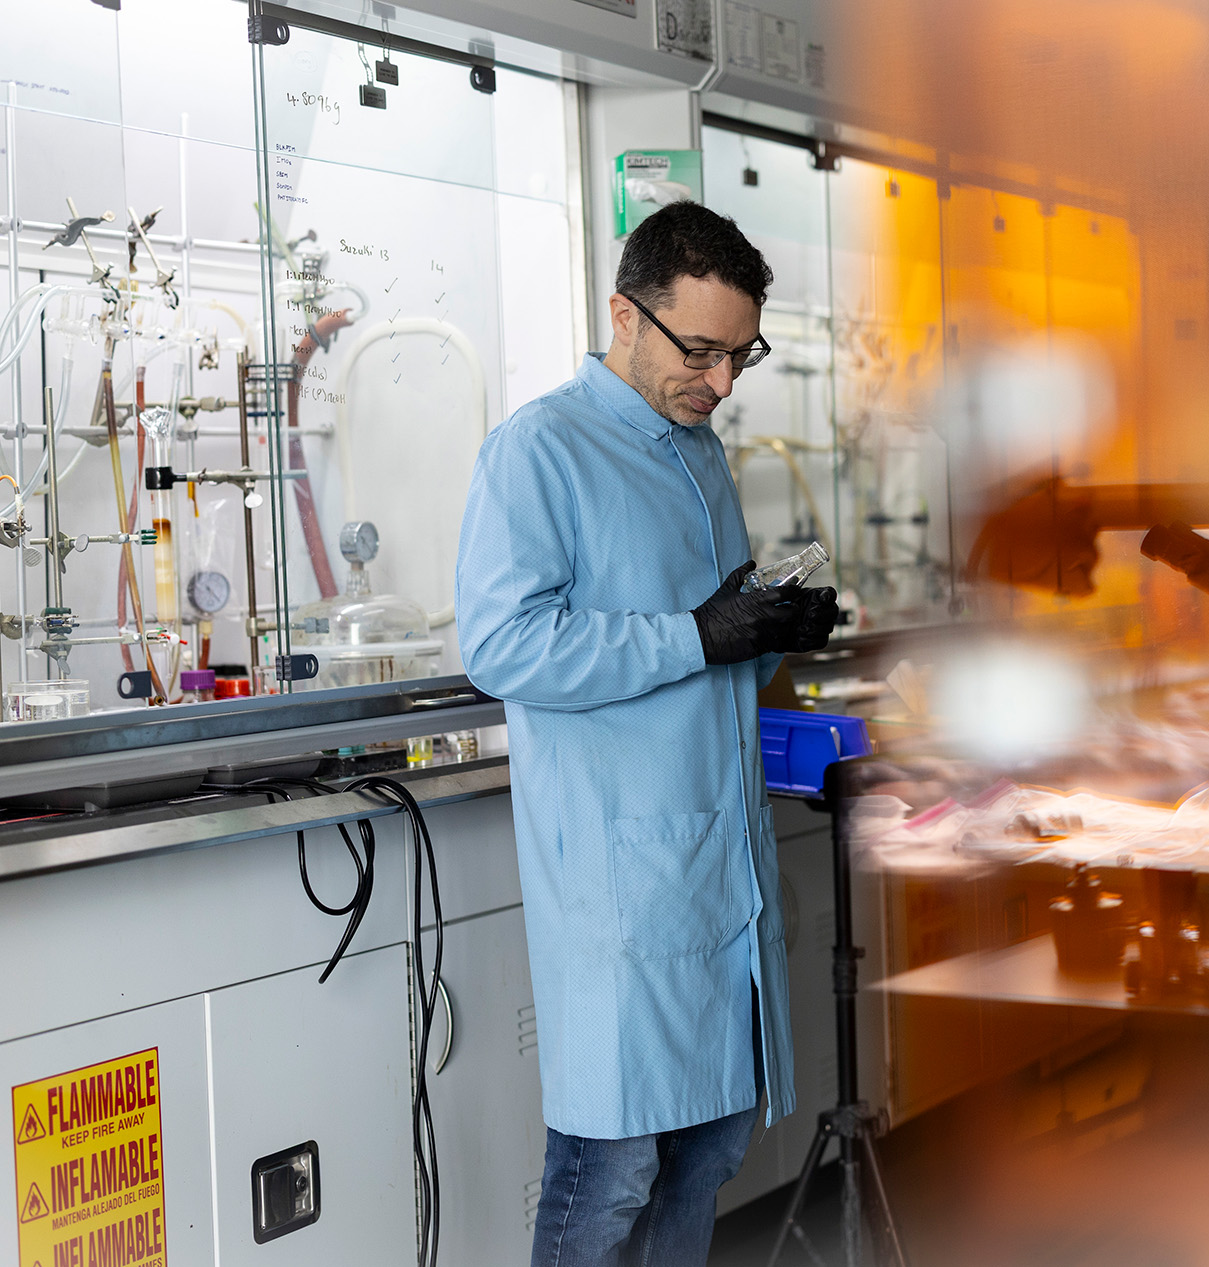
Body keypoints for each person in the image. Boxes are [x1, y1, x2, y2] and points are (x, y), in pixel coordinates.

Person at [455, 200, 839, 1266]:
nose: (720, 383)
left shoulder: (697, 455)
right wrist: (697, 633)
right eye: (701, 352)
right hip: (622, 888)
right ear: (623, 314)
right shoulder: (539, 451)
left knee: (710, 1148)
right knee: (612, 1170)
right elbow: (503, 646)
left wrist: (769, 631)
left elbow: (707, 662)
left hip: (716, 868)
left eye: (738, 355)